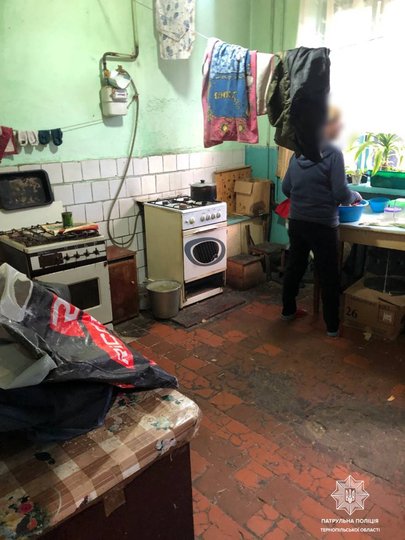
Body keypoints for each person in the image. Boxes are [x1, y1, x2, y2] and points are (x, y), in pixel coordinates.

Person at [281, 107, 362, 337]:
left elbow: (286, 188)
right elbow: (341, 194)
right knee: (328, 274)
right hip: (323, 225)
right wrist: (355, 196)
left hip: (297, 221)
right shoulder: (333, 153)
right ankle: (332, 326)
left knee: (294, 266)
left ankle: (288, 311)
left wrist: (304, 197)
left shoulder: (298, 152)